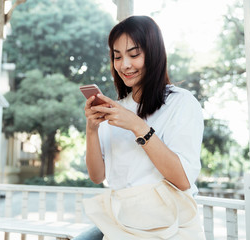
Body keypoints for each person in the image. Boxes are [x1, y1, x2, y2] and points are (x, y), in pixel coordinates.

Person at [73, 15, 204, 239]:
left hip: (168, 225)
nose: (125, 65)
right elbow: (97, 176)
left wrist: (137, 126)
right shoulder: (116, 108)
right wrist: (92, 129)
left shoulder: (181, 103)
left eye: (134, 54)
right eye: (117, 57)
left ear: (153, 54)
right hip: (122, 222)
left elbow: (182, 180)